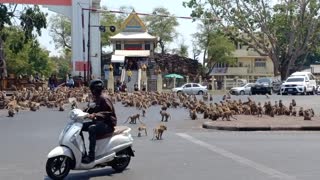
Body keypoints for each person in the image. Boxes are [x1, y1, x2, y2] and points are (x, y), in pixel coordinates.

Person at [81, 79, 117, 164]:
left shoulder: (104, 98)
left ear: (95, 89)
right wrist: (82, 111)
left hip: (108, 124)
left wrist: (95, 115)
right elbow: (93, 108)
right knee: (80, 126)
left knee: (91, 129)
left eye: (92, 89)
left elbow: (108, 112)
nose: (92, 91)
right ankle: (82, 152)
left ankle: (91, 156)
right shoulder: (97, 98)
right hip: (99, 122)